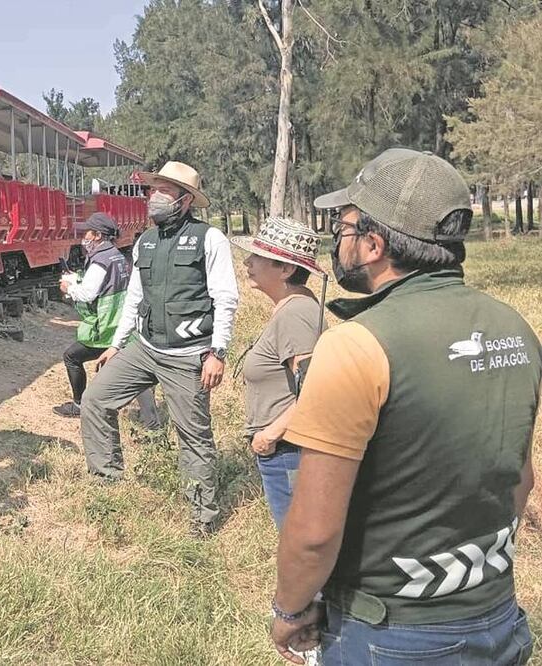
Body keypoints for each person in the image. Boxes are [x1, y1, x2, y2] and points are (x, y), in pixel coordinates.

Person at [269, 148, 541, 665]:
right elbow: (520, 480)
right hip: (499, 618)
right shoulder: (516, 330)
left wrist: (290, 610)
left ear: (374, 245)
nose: (337, 239)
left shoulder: (356, 346)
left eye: (344, 226)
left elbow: (314, 531)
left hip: (393, 634)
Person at [80, 161, 239, 535]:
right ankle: (107, 482)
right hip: (145, 347)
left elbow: (226, 297)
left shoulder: (208, 238)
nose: (154, 197)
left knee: (194, 436)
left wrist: (218, 352)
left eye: (164, 191)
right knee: (95, 400)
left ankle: (202, 519)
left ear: (184, 201)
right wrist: (118, 344)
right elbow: (135, 297)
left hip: (188, 356)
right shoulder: (144, 242)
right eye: (154, 189)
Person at [230, 217, 326, 529]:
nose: (247, 261)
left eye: (257, 257)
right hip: (286, 450)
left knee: (301, 545)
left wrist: (269, 436)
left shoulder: (296, 314)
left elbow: (317, 390)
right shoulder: (292, 308)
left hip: (289, 451)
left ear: (285, 269)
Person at [54, 212, 161, 431]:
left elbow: (88, 294)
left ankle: (80, 405)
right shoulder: (115, 256)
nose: (84, 236)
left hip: (107, 327)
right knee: (134, 370)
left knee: (71, 357)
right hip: (121, 323)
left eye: (87, 232)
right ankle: (151, 422)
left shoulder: (100, 260)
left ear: (98, 235)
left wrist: (69, 288)